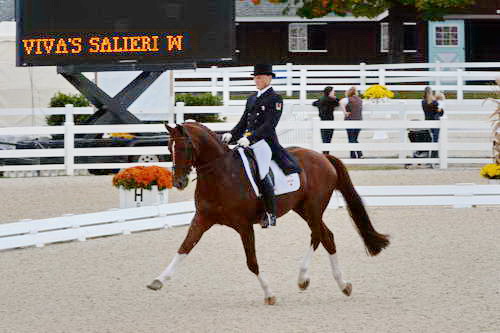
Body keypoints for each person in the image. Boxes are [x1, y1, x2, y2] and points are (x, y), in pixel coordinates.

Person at [221, 64, 301, 228]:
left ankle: (271, 214)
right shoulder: (251, 98)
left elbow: (270, 125)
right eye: (255, 77)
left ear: (269, 78)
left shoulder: (275, 98)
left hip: (265, 143)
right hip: (246, 142)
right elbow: (243, 122)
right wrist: (231, 134)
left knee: (262, 173)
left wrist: (251, 138)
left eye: (260, 77)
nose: (256, 80)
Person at [313, 86, 339, 154]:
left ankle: (325, 153)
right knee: (328, 140)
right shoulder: (331, 100)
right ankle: (326, 154)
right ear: (329, 92)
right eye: (333, 92)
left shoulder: (321, 99)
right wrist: (335, 98)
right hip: (329, 121)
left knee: (324, 139)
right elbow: (338, 103)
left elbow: (314, 103)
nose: (334, 93)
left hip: (322, 121)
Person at [340, 86, 363, 159]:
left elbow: (340, 102)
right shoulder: (360, 100)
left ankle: (356, 154)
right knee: (355, 138)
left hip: (350, 120)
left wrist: (345, 112)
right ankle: (356, 154)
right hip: (359, 120)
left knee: (351, 138)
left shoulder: (346, 99)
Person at [421, 87, 441, 160]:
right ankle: (434, 156)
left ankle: (428, 156)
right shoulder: (435, 102)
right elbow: (440, 112)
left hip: (427, 121)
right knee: (435, 139)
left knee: (429, 139)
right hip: (435, 122)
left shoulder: (423, 102)